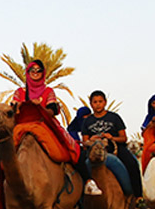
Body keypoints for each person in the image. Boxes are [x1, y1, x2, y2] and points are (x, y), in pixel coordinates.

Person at [12, 61, 101, 195]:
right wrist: (21, 106)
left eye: (39, 70)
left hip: (43, 125)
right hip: (21, 126)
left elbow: (52, 110)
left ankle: (88, 181)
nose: (35, 73)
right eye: (32, 70)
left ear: (43, 73)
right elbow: (12, 109)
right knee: (4, 148)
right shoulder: (20, 92)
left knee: (72, 147)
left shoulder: (48, 92)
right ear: (28, 73)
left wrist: (39, 107)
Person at [82, 90, 143, 198]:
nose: (98, 104)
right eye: (95, 102)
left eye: (100, 101)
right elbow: (84, 141)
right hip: (94, 149)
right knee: (79, 163)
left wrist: (111, 137)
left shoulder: (114, 117)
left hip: (115, 147)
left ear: (105, 102)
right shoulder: (87, 121)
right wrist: (92, 139)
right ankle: (80, 203)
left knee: (132, 163)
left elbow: (124, 138)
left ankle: (138, 197)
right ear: (91, 104)